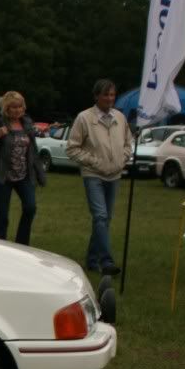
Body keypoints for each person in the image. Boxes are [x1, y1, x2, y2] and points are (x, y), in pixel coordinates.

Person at [66, 79, 132, 275]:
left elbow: (129, 142)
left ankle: (92, 259)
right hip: (93, 174)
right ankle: (106, 261)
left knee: (105, 219)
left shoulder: (120, 117)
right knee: (100, 216)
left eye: (112, 95)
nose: (110, 99)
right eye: (106, 95)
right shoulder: (84, 118)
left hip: (115, 175)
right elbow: (72, 148)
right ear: (97, 96)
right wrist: (94, 162)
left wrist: (123, 158)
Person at [0, 91, 46, 245]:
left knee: (30, 208)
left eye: (20, 106)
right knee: (2, 215)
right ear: (6, 108)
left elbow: (33, 151)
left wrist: (40, 174)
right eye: (14, 107)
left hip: (24, 175)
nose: (18, 110)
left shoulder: (27, 123)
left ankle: (21, 245)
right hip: (3, 175)